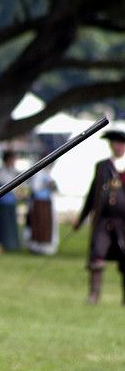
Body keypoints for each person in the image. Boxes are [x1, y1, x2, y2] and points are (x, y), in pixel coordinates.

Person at [73, 129, 125, 304]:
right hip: (103, 220)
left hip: (123, 222)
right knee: (97, 254)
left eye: (120, 143)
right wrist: (80, 219)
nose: (117, 146)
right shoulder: (102, 166)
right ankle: (94, 295)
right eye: (114, 143)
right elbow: (92, 195)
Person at [25, 167, 59, 255]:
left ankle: (44, 246)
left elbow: (54, 188)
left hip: (47, 202)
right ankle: (36, 246)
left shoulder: (48, 174)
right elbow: (35, 188)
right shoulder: (38, 174)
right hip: (38, 202)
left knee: (45, 225)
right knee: (38, 224)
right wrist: (45, 184)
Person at [0, 150, 20, 251]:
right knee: (4, 224)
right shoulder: (2, 171)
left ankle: (12, 245)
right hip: (4, 201)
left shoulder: (12, 171)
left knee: (11, 224)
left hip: (12, 201)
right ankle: (3, 244)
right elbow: (6, 184)